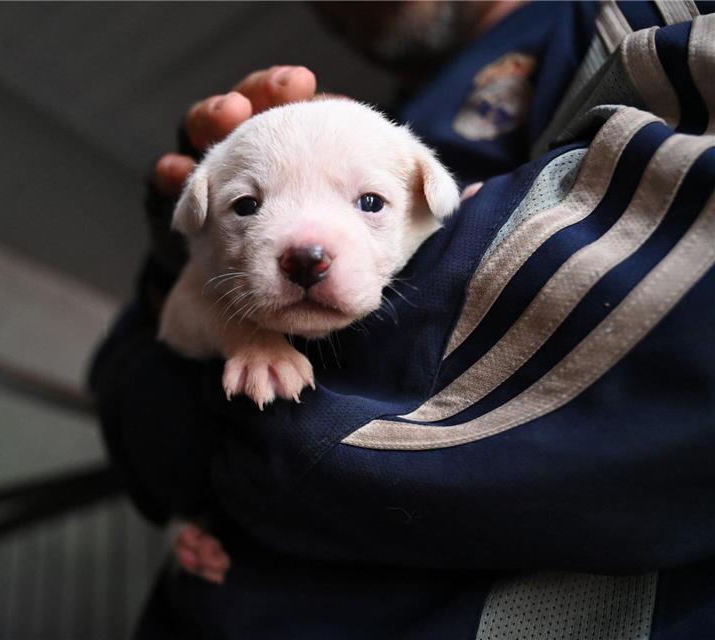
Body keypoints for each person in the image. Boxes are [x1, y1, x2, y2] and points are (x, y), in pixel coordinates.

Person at [90, 1, 715, 637]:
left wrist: (191, 412)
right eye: (248, 204)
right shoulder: (373, 128)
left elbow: (166, 421)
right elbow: (121, 397)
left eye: (368, 202)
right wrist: (181, 265)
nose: (306, 251)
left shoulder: (638, 23)